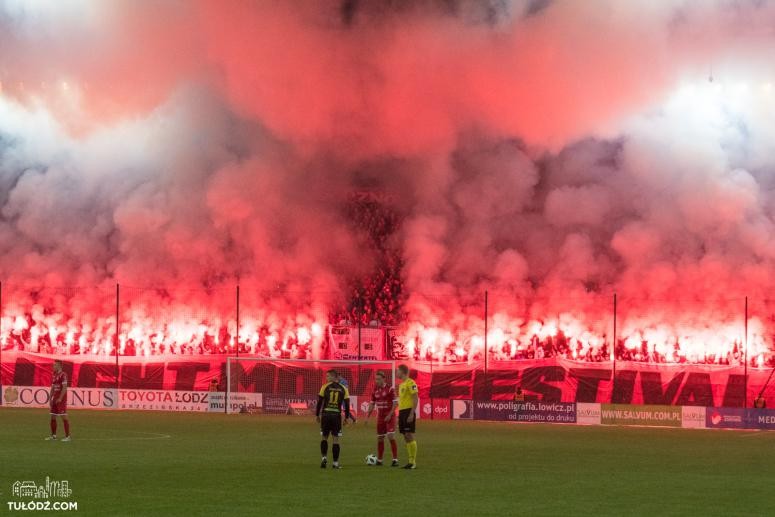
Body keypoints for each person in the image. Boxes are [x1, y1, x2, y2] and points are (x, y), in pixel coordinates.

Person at [316, 369, 355, 469]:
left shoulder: (324, 387)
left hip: (326, 415)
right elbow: (346, 404)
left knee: (324, 437)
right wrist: (346, 417)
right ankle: (335, 463)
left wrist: (317, 415)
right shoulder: (343, 388)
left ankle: (324, 458)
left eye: (328, 376)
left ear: (334, 377)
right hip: (336, 416)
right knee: (336, 439)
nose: (327, 378)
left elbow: (320, 402)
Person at [365, 370, 399, 466]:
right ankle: (379, 460)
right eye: (376, 379)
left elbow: (395, 403)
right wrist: (367, 416)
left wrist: (390, 414)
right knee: (380, 438)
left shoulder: (390, 389)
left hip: (390, 416)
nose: (377, 381)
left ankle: (395, 460)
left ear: (384, 379)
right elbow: (372, 404)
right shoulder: (374, 390)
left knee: (390, 436)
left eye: (379, 379)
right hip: (380, 416)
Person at [396, 364, 418, 469]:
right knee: (405, 436)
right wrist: (398, 415)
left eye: (398, 371)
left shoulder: (411, 383)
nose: (396, 373)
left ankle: (412, 461)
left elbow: (415, 398)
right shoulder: (401, 385)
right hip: (402, 412)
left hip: (408, 411)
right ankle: (409, 461)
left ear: (402, 372)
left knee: (409, 435)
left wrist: (411, 413)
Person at [46, 360, 71, 442]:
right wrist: (50, 398)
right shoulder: (54, 375)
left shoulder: (63, 375)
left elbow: (64, 387)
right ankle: (53, 436)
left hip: (61, 399)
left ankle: (68, 437)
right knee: (53, 416)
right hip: (55, 399)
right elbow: (53, 388)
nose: (53, 367)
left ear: (59, 366)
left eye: (55, 365)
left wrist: (60, 398)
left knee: (64, 416)